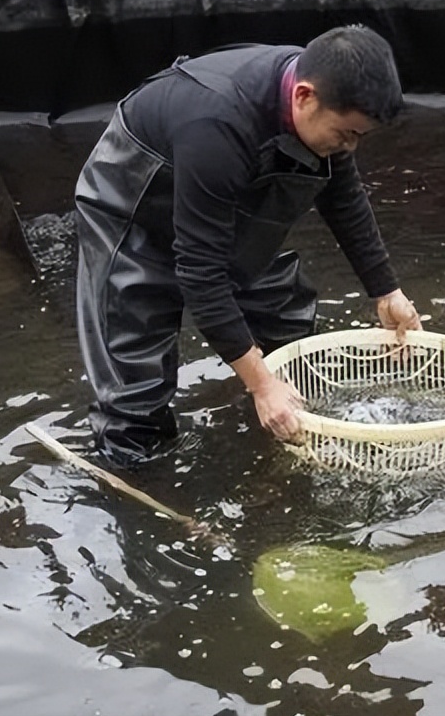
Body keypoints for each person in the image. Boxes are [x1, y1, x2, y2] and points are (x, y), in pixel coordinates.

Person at [74, 25, 422, 468]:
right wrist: (259, 384)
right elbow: (200, 272)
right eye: (346, 133)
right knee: (133, 393)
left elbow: (343, 193)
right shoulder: (217, 123)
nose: (350, 146)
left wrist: (386, 291)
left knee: (285, 321)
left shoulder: (322, 85)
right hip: (132, 202)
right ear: (303, 97)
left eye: (359, 137)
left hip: (219, 190)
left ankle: (286, 420)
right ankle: (138, 481)